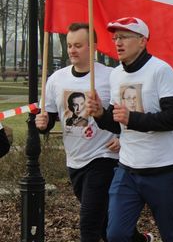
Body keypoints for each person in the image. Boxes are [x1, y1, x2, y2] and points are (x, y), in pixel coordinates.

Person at [35, 22, 151, 242]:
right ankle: (139, 240)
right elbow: (48, 117)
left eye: (78, 45)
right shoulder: (56, 79)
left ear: (93, 47)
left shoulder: (112, 76)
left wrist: (122, 138)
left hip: (104, 156)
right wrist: (43, 124)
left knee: (89, 223)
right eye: (69, 45)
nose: (72, 50)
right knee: (105, 224)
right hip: (75, 159)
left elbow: (131, 114)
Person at [85, 17, 173, 242]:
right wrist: (101, 114)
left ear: (142, 41)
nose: (117, 42)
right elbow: (117, 122)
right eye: (115, 38)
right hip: (128, 169)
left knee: (172, 235)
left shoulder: (161, 70)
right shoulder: (116, 75)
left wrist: (133, 119)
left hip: (163, 169)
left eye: (124, 37)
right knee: (116, 235)